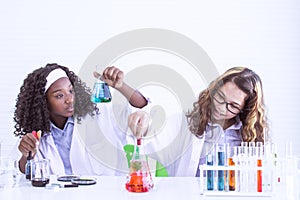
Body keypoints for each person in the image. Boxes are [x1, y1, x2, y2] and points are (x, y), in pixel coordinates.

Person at [128, 67, 269, 176]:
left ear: (246, 109)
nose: (220, 107)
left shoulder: (250, 137)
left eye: (233, 106)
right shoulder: (187, 122)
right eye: (220, 97)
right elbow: (154, 131)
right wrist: (145, 117)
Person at [14, 63, 148, 176]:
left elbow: (140, 108)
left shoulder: (98, 114)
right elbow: (25, 173)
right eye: (59, 95)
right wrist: (26, 155)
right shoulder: (38, 136)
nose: (70, 99)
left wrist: (121, 86)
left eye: (71, 91)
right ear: (43, 102)